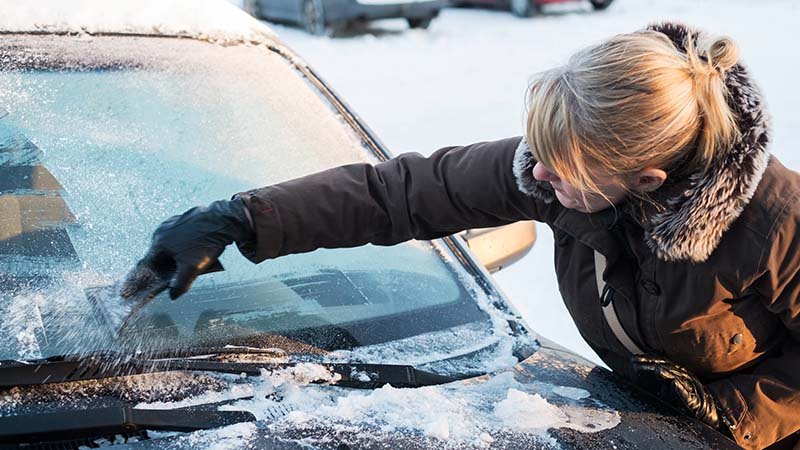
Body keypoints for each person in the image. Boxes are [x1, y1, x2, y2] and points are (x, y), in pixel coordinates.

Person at [121, 22, 799, 449]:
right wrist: (240, 218)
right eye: (536, 151)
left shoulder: (775, 222)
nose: (534, 175)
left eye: (558, 171)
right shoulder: (561, 166)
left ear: (646, 179)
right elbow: (405, 193)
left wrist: (732, 410)